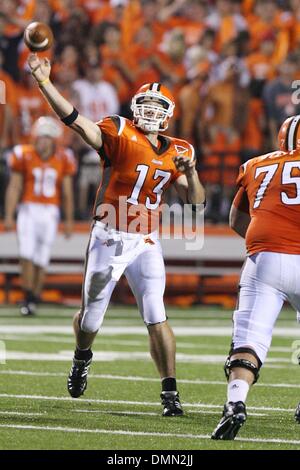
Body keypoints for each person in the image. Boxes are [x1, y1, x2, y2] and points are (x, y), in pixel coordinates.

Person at [27, 52, 205, 416]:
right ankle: (81, 357)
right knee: (91, 317)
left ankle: (170, 393)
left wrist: (193, 173)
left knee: (156, 312)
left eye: (159, 106)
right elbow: (76, 122)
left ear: (169, 113)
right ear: (135, 107)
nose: (152, 112)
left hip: (146, 240)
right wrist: (45, 83)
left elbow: (195, 202)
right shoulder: (118, 130)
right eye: (146, 104)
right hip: (109, 235)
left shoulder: (180, 150)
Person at [212, 114, 300, 440]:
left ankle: (235, 403)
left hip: (265, 258)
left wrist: (263, 241)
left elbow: (236, 218)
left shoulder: (255, 165)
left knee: (250, 339)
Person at [4, 116, 76, 315]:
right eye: (40, 137)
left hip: (50, 211)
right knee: (26, 254)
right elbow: (15, 186)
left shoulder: (64, 157)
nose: (42, 141)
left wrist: (68, 220)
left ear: (54, 140)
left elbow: (67, 193)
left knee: (42, 257)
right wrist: (9, 214)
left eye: (46, 137)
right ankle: (27, 296)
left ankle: (33, 296)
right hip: (28, 208)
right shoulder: (24, 154)